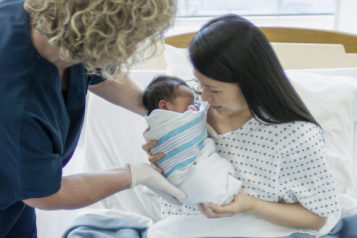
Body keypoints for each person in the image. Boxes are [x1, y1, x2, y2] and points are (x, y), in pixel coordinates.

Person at [0, 0, 186, 237]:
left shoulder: (47, 24)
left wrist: (157, 112)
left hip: (16, 197)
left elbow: (97, 68)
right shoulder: (18, 101)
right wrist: (136, 175)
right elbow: (44, 195)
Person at [142, 14, 339, 234]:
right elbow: (174, 194)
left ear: (250, 82)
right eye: (200, 84)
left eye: (214, 89)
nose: (204, 96)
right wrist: (165, 162)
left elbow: (317, 217)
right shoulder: (186, 114)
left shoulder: (295, 137)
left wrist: (249, 205)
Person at [142, 75, 242, 208]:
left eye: (214, 89)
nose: (198, 103)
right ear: (164, 106)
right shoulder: (165, 122)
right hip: (179, 182)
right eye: (189, 104)